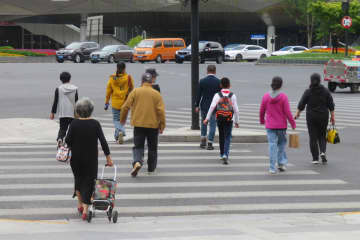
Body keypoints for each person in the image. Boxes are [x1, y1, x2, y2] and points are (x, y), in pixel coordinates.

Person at [65, 97, 113, 221]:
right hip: (91, 159)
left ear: (78, 111)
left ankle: (80, 205)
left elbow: (67, 141)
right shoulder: (95, 124)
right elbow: (103, 142)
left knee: (79, 180)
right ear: (91, 110)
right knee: (89, 182)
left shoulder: (74, 123)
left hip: (75, 159)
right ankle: (86, 210)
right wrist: (108, 158)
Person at [120, 73, 166, 177]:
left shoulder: (135, 91)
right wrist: (162, 125)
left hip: (138, 124)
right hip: (153, 125)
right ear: (151, 82)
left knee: (138, 146)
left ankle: (137, 161)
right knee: (152, 147)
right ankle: (151, 169)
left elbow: (125, 107)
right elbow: (161, 111)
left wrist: (122, 120)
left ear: (142, 81)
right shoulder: (156, 94)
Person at [295, 73, 335, 165]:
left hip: (311, 117)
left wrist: (297, 114)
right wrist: (333, 117)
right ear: (320, 80)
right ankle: (323, 152)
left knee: (313, 137)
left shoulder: (308, 92)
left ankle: (315, 158)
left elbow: (301, 104)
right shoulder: (325, 91)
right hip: (323, 116)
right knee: (322, 135)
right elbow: (331, 105)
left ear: (311, 80)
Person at [260, 77, 296, 174]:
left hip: (270, 125)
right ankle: (281, 164)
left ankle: (272, 167)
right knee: (281, 145)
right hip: (281, 126)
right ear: (281, 85)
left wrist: (261, 120)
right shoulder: (283, 97)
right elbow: (287, 112)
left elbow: (262, 110)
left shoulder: (266, 96)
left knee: (272, 145)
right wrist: (293, 123)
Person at [203, 77, 240, 164]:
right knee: (227, 136)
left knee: (221, 136)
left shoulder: (217, 95)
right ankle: (225, 155)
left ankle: (221, 154)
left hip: (219, 118)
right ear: (229, 85)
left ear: (220, 85)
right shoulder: (232, 95)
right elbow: (236, 110)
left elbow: (212, 107)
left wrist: (207, 118)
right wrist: (237, 121)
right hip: (229, 118)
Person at [105, 62, 134, 144]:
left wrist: (107, 102)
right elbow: (132, 89)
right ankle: (118, 135)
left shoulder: (112, 78)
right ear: (124, 68)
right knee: (122, 120)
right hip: (125, 103)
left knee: (116, 120)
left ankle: (121, 132)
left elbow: (108, 91)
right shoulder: (128, 77)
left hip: (115, 103)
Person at [195, 65, 221, 150]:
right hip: (214, 107)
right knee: (213, 125)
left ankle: (203, 141)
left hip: (204, 106)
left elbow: (198, 95)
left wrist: (196, 105)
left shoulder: (202, 81)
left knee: (204, 123)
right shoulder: (218, 82)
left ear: (207, 71)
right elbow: (220, 96)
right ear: (215, 71)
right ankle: (210, 143)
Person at [50, 71, 78, 146]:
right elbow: (76, 102)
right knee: (72, 129)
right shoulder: (74, 89)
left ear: (61, 79)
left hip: (63, 113)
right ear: (70, 79)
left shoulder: (58, 89)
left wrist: (52, 113)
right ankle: (69, 143)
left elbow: (55, 102)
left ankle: (60, 138)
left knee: (62, 128)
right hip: (72, 113)